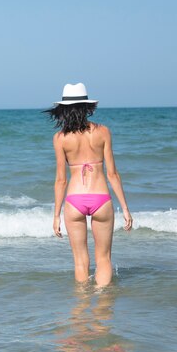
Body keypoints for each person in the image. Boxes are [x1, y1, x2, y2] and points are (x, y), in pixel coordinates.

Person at [45, 83, 133, 287]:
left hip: (74, 201)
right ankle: (102, 307)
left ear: (63, 109)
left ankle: (81, 308)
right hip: (101, 199)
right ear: (87, 107)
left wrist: (56, 215)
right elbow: (112, 174)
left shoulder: (59, 138)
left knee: (80, 262)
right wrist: (126, 209)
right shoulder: (103, 132)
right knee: (103, 259)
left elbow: (61, 180)